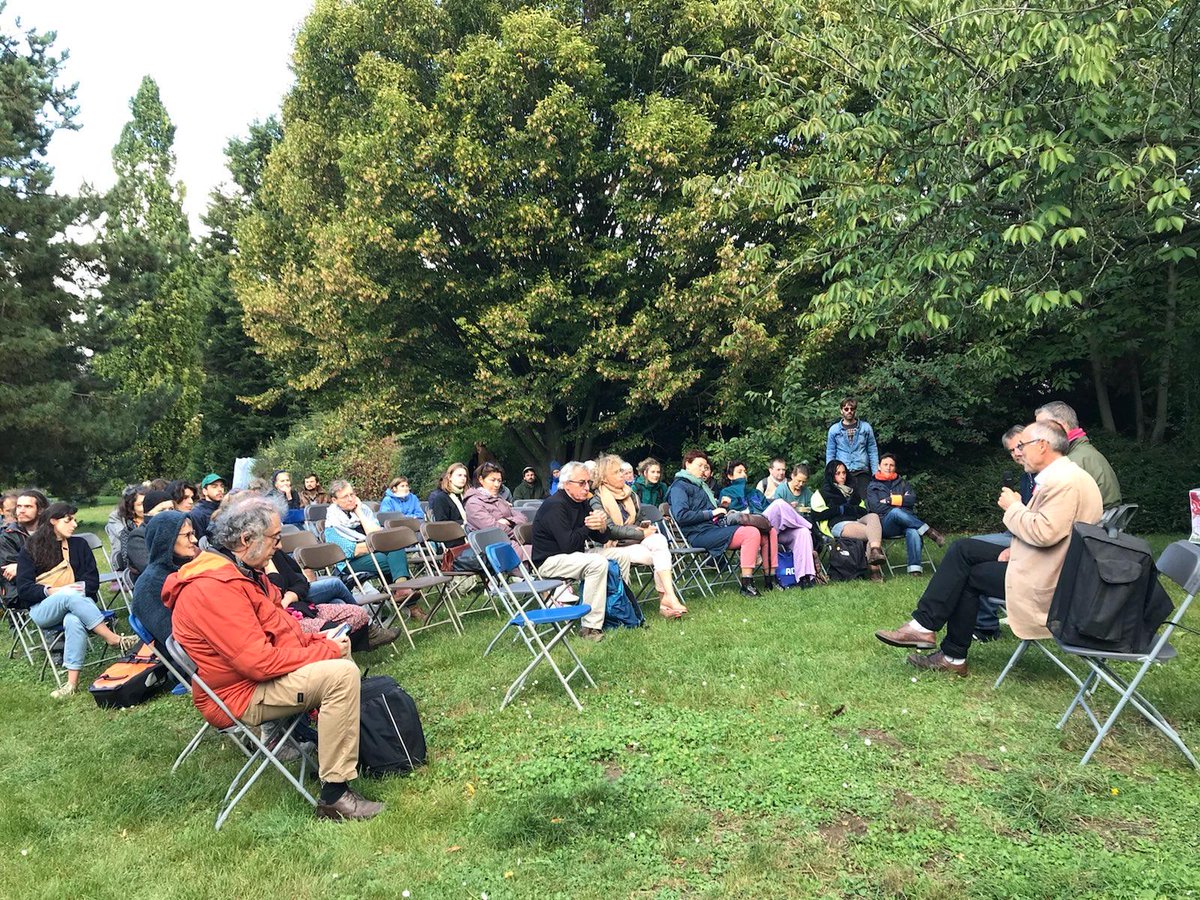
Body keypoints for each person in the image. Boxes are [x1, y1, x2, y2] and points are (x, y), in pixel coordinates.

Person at [164, 493, 383, 820]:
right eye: (275, 539)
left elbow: (280, 631)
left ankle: (342, 746)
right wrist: (322, 649)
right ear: (246, 539)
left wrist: (316, 641)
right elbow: (258, 662)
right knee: (340, 674)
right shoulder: (214, 587)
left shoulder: (241, 573)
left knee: (339, 646)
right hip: (240, 694)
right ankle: (335, 796)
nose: (278, 547)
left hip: (253, 678)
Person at [875, 421, 1103, 676]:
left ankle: (948, 652)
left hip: (1048, 579)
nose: (1019, 452)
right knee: (963, 549)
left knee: (970, 576)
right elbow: (1058, 533)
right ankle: (927, 629)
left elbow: (1044, 532)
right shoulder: (1068, 476)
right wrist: (1017, 550)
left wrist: (1014, 507)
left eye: (1023, 445)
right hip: (1050, 565)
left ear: (1042, 446)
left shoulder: (1064, 482)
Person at [15, 502, 138, 697]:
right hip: (43, 608)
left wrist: (76, 589)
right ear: (53, 521)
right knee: (68, 595)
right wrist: (54, 591)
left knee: (73, 620)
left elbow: (92, 582)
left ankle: (70, 684)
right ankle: (112, 637)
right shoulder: (30, 549)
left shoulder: (79, 545)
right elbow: (24, 589)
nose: (74, 524)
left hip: (79, 602)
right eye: (68, 520)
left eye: (74, 519)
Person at [530, 461, 621, 642]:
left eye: (588, 482)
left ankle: (618, 610)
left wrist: (602, 527)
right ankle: (590, 627)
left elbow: (602, 539)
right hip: (549, 562)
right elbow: (568, 545)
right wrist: (588, 526)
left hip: (573, 557)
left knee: (619, 555)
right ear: (566, 484)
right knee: (597, 563)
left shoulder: (581, 503)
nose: (587, 488)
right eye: (582, 483)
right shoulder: (555, 505)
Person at [668, 450, 778, 596]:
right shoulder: (679, 487)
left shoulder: (701, 486)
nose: (703, 470)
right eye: (700, 466)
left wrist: (722, 507)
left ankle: (770, 580)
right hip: (698, 534)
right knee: (751, 533)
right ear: (687, 464)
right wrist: (711, 513)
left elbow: (709, 512)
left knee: (768, 532)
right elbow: (681, 516)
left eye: (705, 467)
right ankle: (746, 585)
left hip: (713, 528)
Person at [590, 454, 687, 618]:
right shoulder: (596, 499)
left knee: (659, 540)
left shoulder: (630, 494)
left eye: (621, 471)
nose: (622, 475)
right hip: (613, 545)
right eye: (616, 472)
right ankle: (665, 601)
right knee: (658, 555)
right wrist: (639, 532)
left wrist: (645, 526)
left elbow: (640, 518)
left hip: (635, 541)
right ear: (604, 478)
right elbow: (610, 530)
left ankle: (668, 597)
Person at [264, 538, 397, 650]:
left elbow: (301, 580)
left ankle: (364, 635)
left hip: (298, 599)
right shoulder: (252, 568)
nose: (280, 545)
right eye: (275, 538)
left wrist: (292, 594)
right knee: (335, 584)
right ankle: (369, 631)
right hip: (286, 614)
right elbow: (275, 593)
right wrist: (269, 564)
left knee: (338, 601)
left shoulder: (277, 553)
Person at [130, 510, 200, 657]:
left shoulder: (188, 568)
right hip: (194, 661)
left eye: (192, 533)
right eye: (187, 535)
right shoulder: (148, 586)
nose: (194, 539)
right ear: (167, 540)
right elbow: (176, 640)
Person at [866, 453, 946, 575]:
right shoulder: (873, 486)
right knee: (896, 512)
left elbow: (911, 500)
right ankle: (928, 531)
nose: (888, 467)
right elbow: (876, 508)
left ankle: (915, 569)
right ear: (879, 466)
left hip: (906, 522)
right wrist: (899, 503)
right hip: (886, 524)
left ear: (895, 467)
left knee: (913, 531)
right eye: (885, 464)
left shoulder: (903, 483)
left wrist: (889, 500)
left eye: (891, 465)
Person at [1034, 401, 1122, 507]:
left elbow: (1050, 510)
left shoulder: (1071, 463)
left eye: (1043, 427)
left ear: (1061, 427)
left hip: (1093, 522)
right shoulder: (1085, 452)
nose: (1038, 434)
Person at [324, 480, 412, 585]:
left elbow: (377, 535)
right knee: (394, 560)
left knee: (396, 548)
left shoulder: (364, 510)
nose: (351, 499)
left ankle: (400, 590)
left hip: (374, 552)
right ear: (334, 500)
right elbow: (352, 550)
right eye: (345, 497)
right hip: (350, 563)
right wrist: (378, 544)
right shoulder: (332, 524)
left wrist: (360, 513)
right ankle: (402, 589)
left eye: (352, 494)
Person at [811, 460, 887, 581]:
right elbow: (818, 515)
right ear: (831, 475)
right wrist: (840, 510)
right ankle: (875, 571)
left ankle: (875, 551)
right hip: (837, 524)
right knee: (871, 534)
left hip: (857, 521)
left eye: (844, 472)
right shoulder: (821, 493)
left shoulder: (852, 491)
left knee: (873, 517)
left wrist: (849, 509)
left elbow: (863, 510)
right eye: (838, 473)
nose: (842, 476)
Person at [464, 462, 529, 547]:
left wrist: (508, 521)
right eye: (492, 480)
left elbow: (523, 518)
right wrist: (520, 533)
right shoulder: (473, 503)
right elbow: (494, 529)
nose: (497, 485)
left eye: (499, 481)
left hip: (514, 540)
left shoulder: (499, 498)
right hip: (497, 547)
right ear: (481, 480)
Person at [825, 397, 879, 498]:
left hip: (862, 471)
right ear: (841, 411)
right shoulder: (834, 430)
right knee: (844, 501)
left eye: (852, 409)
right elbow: (830, 452)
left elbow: (872, 451)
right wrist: (830, 474)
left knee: (864, 501)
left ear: (855, 410)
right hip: (843, 473)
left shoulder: (866, 428)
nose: (849, 411)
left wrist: (875, 472)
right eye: (846, 409)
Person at [123, 488, 175, 578]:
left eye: (171, 509)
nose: (168, 514)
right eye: (161, 510)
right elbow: (151, 569)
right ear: (148, 514)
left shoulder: (179, 531)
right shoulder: (138, 537)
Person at [428, 463, 470, 533]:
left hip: (471, 532)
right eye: (459, 475)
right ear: (450, 477)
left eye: (465, 476)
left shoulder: (467, 495)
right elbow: (442, 524)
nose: (463, 478)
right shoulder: (441, 498)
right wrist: (465, 522)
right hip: (453, 535)